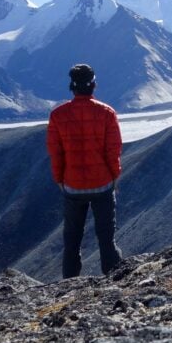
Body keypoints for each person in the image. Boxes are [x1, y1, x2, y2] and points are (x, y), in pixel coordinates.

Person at [46, 63, 124, 278]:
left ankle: (69, 285)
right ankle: (113, 280)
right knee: (106, 238)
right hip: (102, 185)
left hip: (72, 186)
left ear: (72, 86)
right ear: (93, 85)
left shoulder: (58, 115)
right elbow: (113, 149)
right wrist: (114, 176)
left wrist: (59, 179)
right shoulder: (107, 113)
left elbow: (56, 151)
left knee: (72, 240)